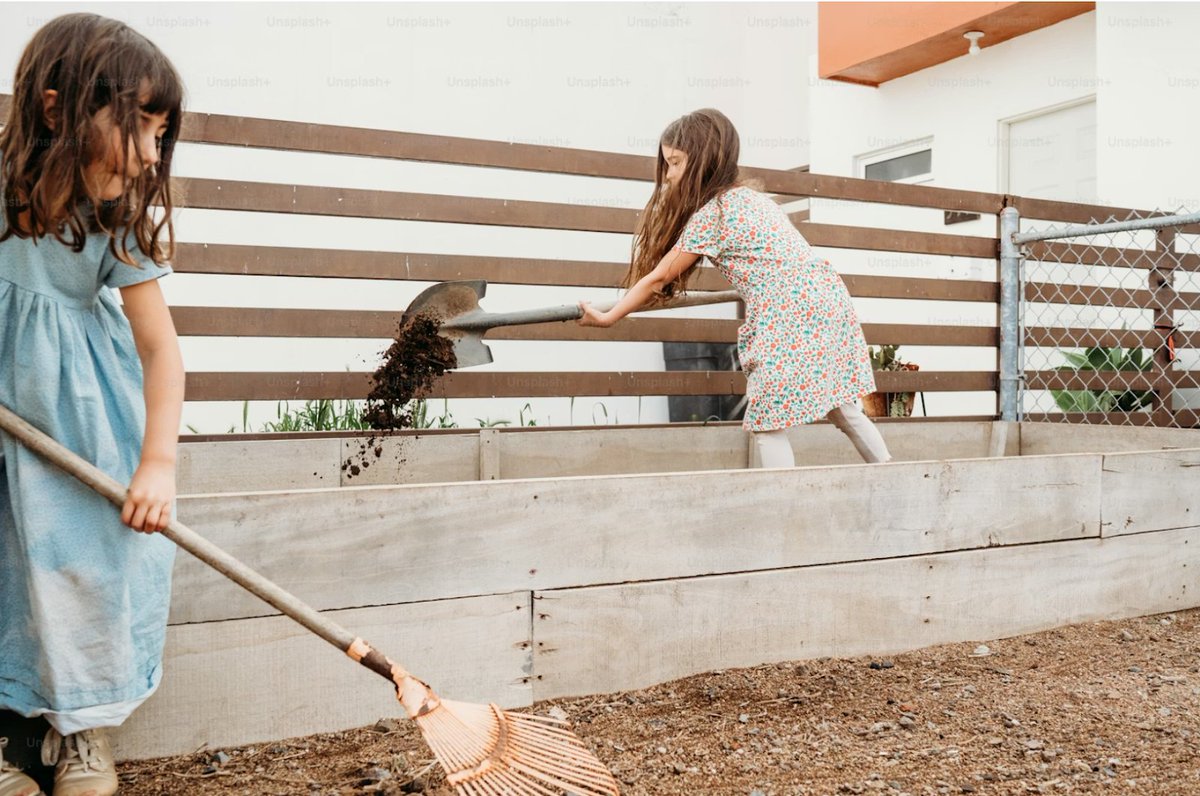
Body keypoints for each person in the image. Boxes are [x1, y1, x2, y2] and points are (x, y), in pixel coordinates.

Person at [0, 13, 186, 796]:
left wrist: (157, 463)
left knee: (86, 570)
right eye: (139, 127)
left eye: (160, 135)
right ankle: (10, 741)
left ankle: (83, 731)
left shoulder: (114, 221)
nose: (150, 154)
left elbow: (161, 351)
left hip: (80, 427)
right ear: (56, 110)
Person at [579, 109, 891, 468]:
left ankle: (781, 498)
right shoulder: (754, 199)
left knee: (768, 421)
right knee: (841, 405)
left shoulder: (713, 215)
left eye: (675, 162)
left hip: (788, 307)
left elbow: (659, 278)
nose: (668, 174)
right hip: (827, 297)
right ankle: (893, 476)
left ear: (703, 160)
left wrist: (609, 316)